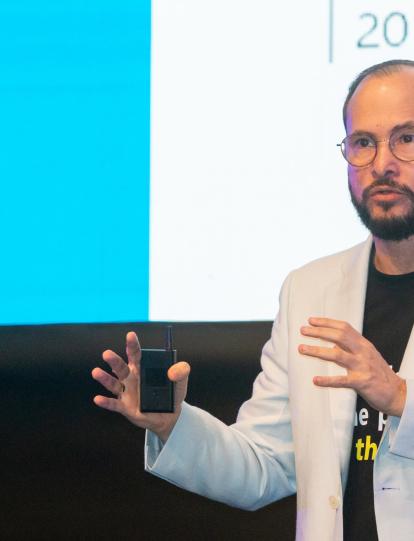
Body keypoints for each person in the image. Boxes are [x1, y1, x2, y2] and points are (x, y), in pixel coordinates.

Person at [91, 60, 414, 541]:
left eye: (406, 138)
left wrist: (400, 398)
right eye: (363, 143)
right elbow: (264, 465)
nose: (382, 163)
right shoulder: (310, 289)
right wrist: (173, 424)